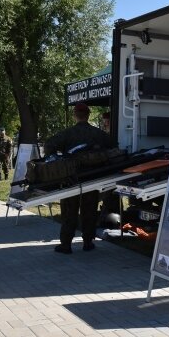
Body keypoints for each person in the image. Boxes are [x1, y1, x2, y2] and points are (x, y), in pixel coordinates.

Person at [44, 103, 114, 253]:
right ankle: (88, 242)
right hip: (92, 179)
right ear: (88, 115)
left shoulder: (68, 133)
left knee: (69, 212)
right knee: (89, 210)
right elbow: (112, 147)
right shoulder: (99, 134)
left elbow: (48, 145)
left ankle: (66, 245)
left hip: (71, 178)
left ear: (75, 115)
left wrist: (57, 159)